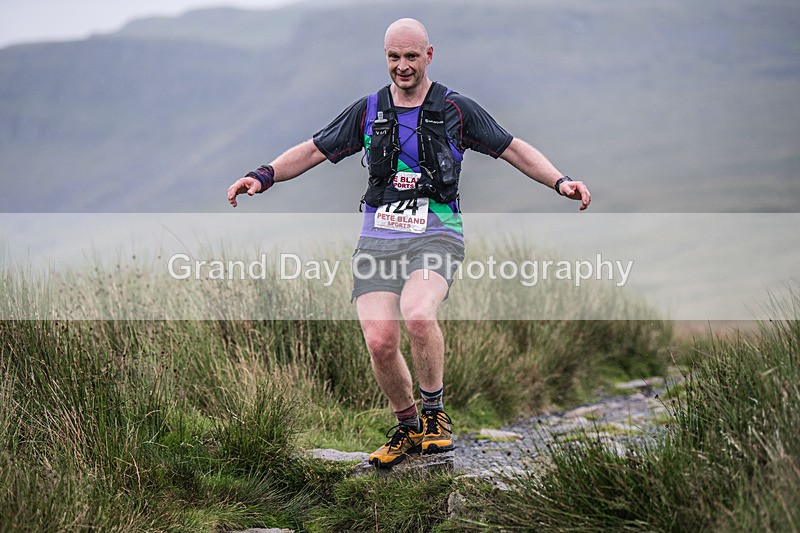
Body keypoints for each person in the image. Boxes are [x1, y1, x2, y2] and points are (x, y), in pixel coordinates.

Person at [227, 18, 591, 468]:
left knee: (419, 314)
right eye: (394, 57)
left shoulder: (456, 109)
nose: (402, 66)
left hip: (437, 233)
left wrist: (561, 182)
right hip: (378, 240)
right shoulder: (368, 110)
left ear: (429, 55)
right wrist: (261, 176)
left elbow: (512, 148)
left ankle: (436, 415)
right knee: (379, 340)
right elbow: (313, 150)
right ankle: (408, 426)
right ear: (385, 57)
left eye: (411, 57)